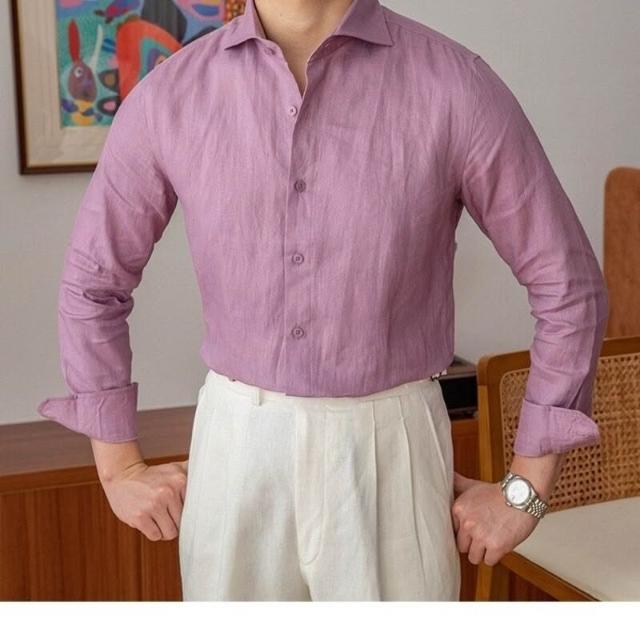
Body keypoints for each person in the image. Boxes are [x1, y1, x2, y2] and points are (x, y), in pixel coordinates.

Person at [38, 0, 609, 601]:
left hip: (392, 445)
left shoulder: (455, 85)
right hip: (235, 447)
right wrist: (119, 467)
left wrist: (527, 487)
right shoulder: (171, 95)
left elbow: (568, 285)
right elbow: (93, 283)